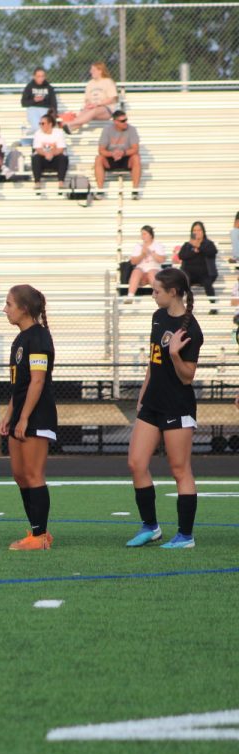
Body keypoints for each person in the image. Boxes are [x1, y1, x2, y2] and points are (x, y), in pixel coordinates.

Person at [126, 269, 203, 550]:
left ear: (173, 293)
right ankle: (151, 526)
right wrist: (144, 393)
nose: (153, 294)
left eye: (157, 290)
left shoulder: (191, 328)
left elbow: (187, 376)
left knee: (179, 469)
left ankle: (185, 536)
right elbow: (153, 361)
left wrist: (174, 354)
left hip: (177, 404)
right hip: (153, 402)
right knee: (136, 463)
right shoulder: (157, 317)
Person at [0, 285, 58, 551]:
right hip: (21, 415)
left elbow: (37, 382)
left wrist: (24, 418)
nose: (5, 309)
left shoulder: (39, 338)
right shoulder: (19, 339)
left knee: (34, 475)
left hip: (37, 415)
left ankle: (40, 536)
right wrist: (9, 415)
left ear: (24, 309)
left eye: (9, 304)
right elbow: (19, 386)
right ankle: (36, 530)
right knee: (19, 475)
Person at [94, 110, 141, 199]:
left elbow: (135, 149)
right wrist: (112, 154)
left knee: (136, 157)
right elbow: (101, 150)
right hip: (111, 158)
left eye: (126, 120)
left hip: (126, 157)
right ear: (115, 121)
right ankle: (100, 190)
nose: (125, 122)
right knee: (99, 158)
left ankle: (135, 190)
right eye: (123, 121)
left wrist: (123, 153)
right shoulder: (107, 130)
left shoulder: (132, 129)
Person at [172, 221, 218, 309]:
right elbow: (181, 256)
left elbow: (212, 252)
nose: (196, 232)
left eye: (199, 230)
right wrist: (193, 250)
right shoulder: (187, 245)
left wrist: (199, 247)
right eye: (194, 230)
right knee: (185, 280)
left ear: (203, 232)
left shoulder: (208, 244)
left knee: (207, 282)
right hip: (189, 273)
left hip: (205, 273)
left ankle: (213, 305)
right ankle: (187, 305)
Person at [63, 61, 118, 134]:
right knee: (84, 111)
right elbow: (87, 99)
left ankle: (70, 123)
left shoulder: (108, 81)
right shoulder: (90, 83)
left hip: (106, 109)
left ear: (100, 71)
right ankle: (71, 128)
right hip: (93, 108)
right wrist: (88, 104)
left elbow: (112, 99)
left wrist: (98, 104)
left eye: (93, 70)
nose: (91, 72)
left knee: (94, 110)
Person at [125, 225, 167, 300]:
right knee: (136, 271)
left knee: (151, 273)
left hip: (154, 269)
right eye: (142, 234)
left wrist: (151, 253)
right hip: (141, 271)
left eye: (144, 234)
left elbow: (162, 260)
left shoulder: (157, 245)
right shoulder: (138, 246)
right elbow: (133, 261)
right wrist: (142, 255)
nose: (142, 236)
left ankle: (159, 296)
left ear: (150, 235)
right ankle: (130, 296)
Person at [31, 114, 69, 189]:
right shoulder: (38, 133)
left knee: (63, 158)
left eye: (43, 123)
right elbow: (38, 149)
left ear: (50, 124)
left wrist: (51, 154)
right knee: (35, 158)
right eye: (40, 123)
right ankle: (37, 182)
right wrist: (46, 154)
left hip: (55, 158)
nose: (41, 125)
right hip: (43, 158)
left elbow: (61, 149)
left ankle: (61, 182)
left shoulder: (58, 133)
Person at [21, 67, 58, 137]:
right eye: (38, 76)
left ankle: (32, 134)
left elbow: (54, 103)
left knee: (44, 127)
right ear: (34, 77)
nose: (41, 78)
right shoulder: (29, 87)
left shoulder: (49, 87)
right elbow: (23, 103)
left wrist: (54, 113)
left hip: (45, 110)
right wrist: (34, 100)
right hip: (33, 109)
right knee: (38, 127)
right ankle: (32, 133)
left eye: (42, 76)